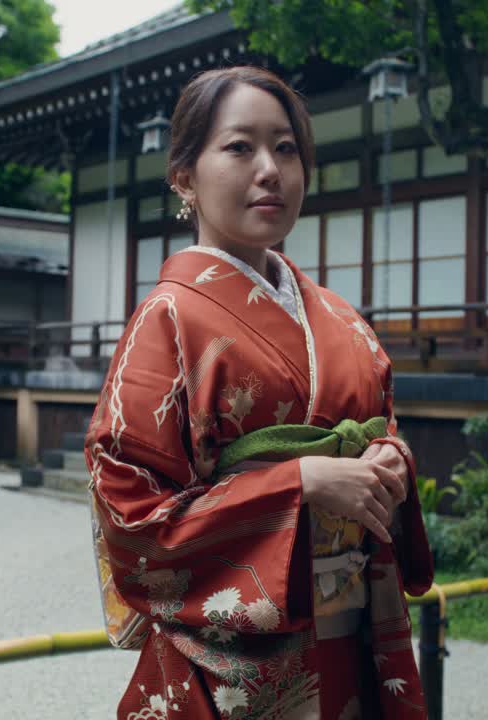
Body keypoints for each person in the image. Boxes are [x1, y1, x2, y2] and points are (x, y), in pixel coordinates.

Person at [85, 66, 433, 720]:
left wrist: (391, 463)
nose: (269, 169)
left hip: (348, 641)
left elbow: (380, 430)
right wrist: (297, 484)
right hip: (238, 668)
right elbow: (129, 512)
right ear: (184, 176)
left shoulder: (341, 318)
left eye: (286, 148)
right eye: (240, 147)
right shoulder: (168, 319)